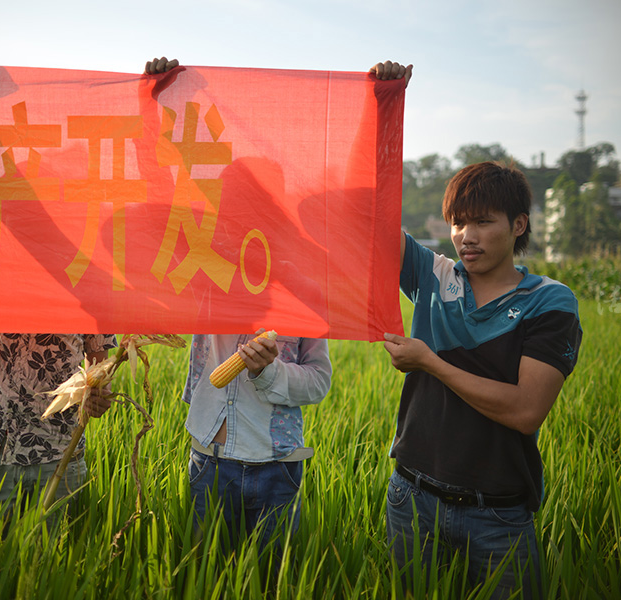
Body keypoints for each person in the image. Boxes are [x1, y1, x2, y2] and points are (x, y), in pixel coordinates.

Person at [374, 60, 583, 600]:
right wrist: (383, 107)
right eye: (457, 222)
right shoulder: (433, 274)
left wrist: (429, 361)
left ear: (517, 226)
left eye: (483, 221)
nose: (466, 235)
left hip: (498, 518)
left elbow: (524, 409)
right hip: (411, 496)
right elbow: (373, 213)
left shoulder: (548, 302)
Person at [0, 58, 119, 539]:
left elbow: (98, 368)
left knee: (56, 572)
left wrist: (98, 396)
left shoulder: (89, 279)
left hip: (59, 456)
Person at [183, 328, 332, 555]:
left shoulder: (305, 304)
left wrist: (268, 372)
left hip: (278, 466)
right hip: (211, 461)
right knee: (206, 578)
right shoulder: (211, 292)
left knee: (271, 582)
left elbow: (319, 382)